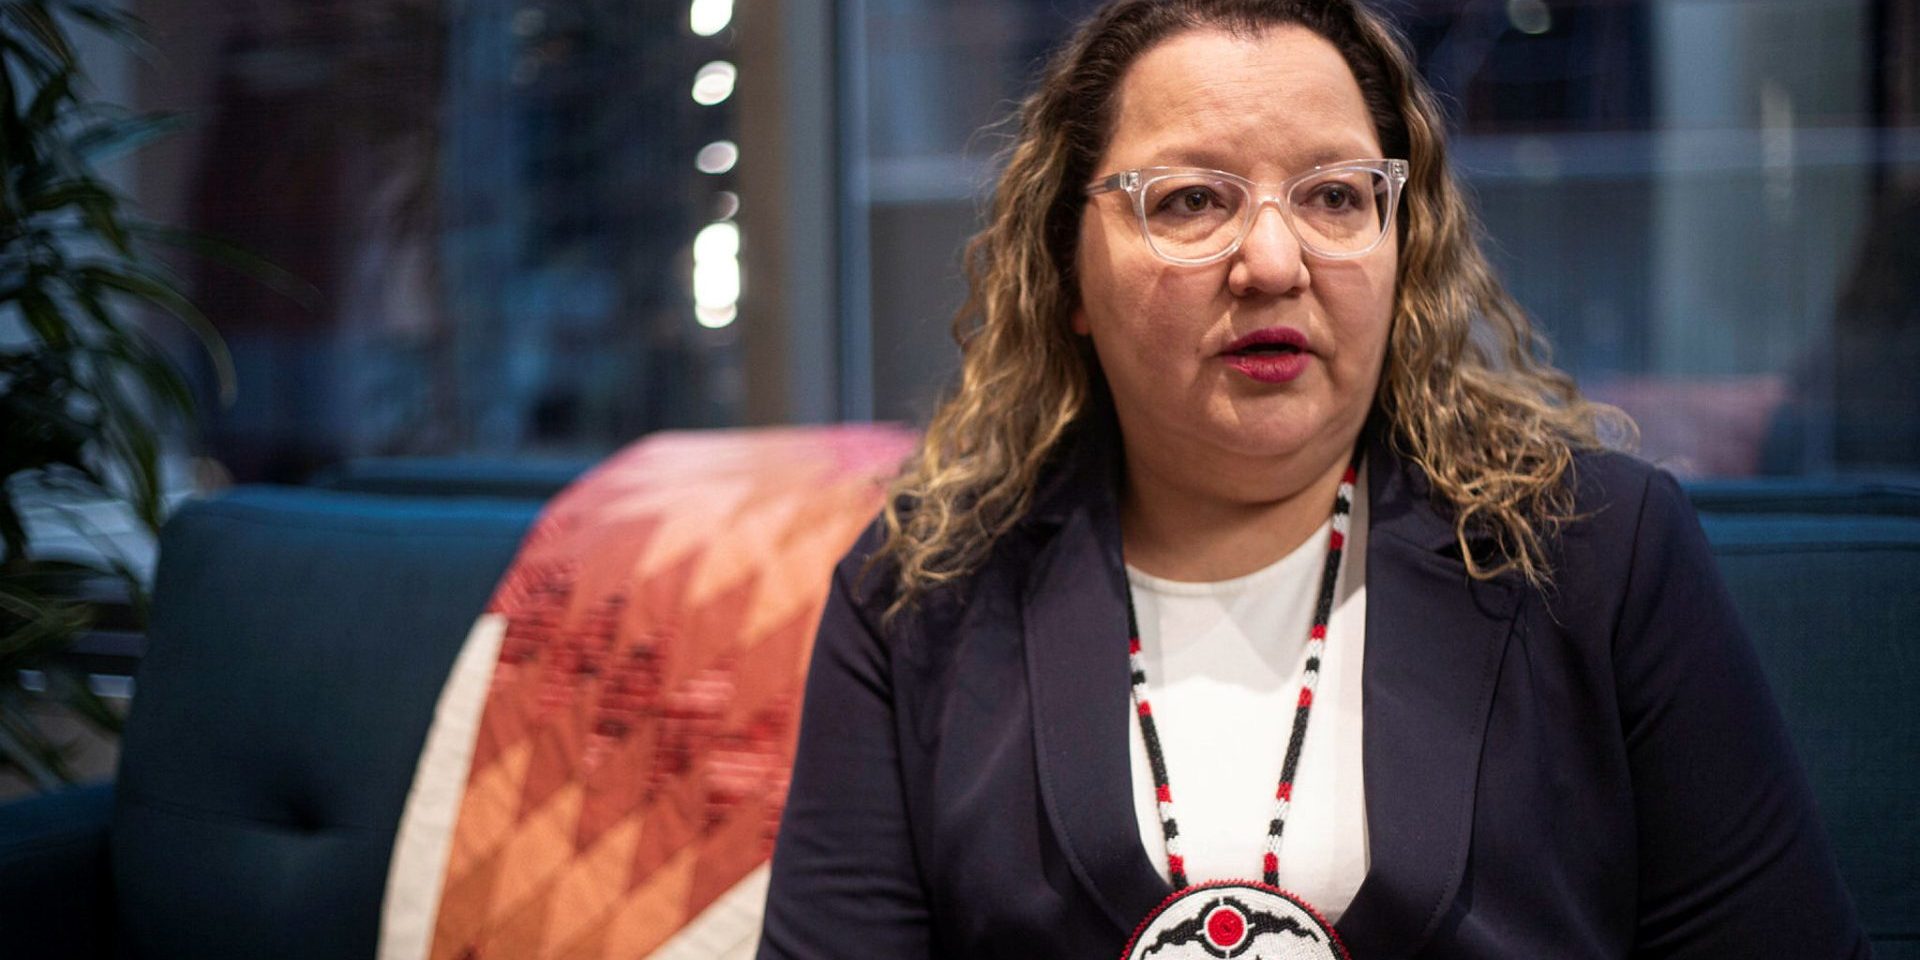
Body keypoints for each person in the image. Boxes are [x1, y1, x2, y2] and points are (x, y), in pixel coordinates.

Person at [757, 0, 1870, 956]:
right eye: (1192, 200)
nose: (1275, 262)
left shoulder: (1596, 552)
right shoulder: (920, 595)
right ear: (1069, 277)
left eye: (1336, 196)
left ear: (1403, 242)